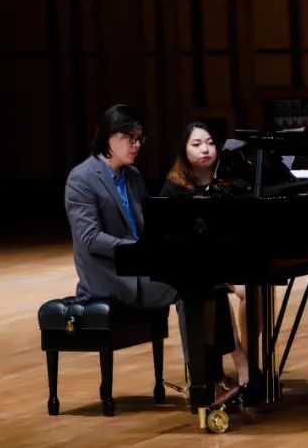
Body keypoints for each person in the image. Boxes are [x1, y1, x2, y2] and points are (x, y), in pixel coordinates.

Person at [64, 104, 239, 405]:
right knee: (188, 287)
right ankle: (201, 383)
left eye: (139, 139)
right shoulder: (81, 178)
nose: (136, 145)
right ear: (109, 137)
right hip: (111, 278)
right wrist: (140, 251)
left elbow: (151, 226)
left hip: (140, 268)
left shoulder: (132, 176)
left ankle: (216, 375)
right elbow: (90, 239)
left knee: (208, 280)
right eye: (130, 138)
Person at [162, 121, 250, 388]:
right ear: (184, 150)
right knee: (214, 286)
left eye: (210, 143)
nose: (205, 149)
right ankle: (241, 362)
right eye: (196, 144)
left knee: (251, 293)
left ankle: (249, 356)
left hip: (228, 259)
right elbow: (169, 237)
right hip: (194, 263)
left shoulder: (228, 183)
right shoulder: (173, 189)